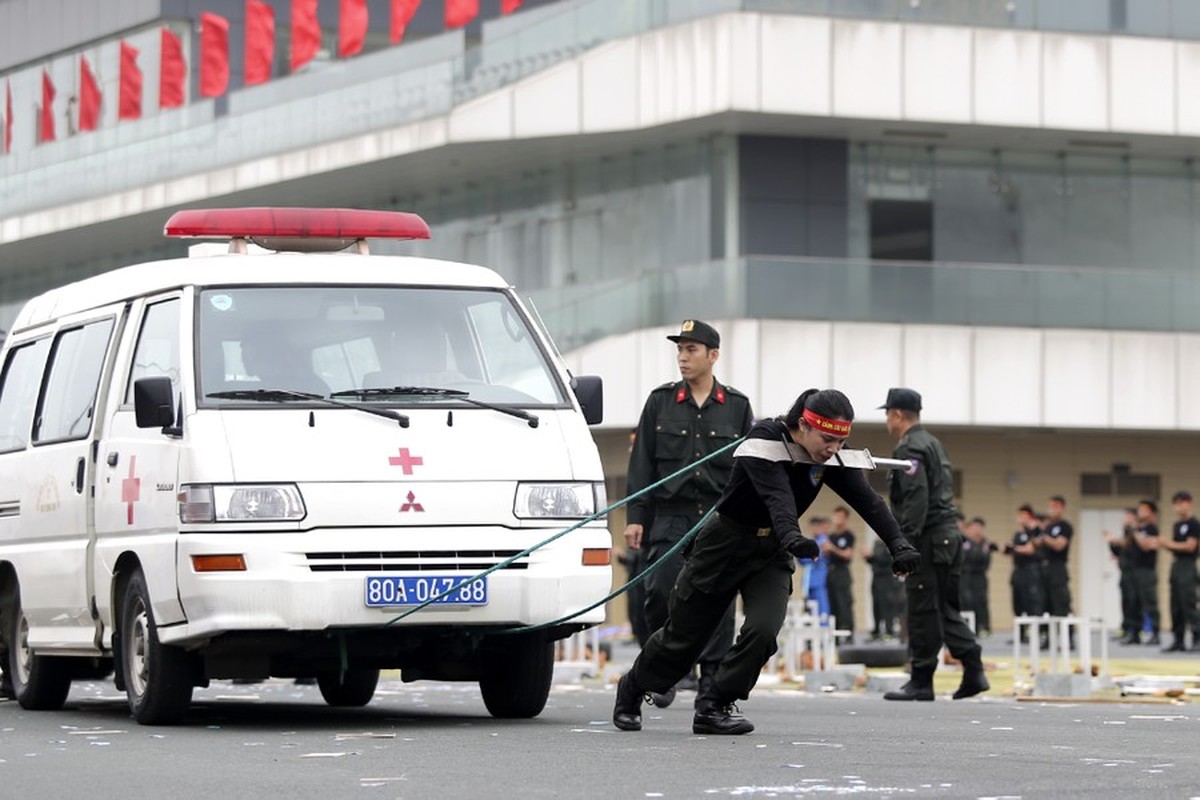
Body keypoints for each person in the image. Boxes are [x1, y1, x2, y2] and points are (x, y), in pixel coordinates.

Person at [612, 389, 920, 735]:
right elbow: (777, 496)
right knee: (683, 639)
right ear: (803, 425)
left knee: (763, 630)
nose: (834, 449)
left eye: (841, 441)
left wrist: (898, 545)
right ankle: (633, 687)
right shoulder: (764, 441)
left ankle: (715, 704)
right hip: (724, 544)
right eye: (828, 439)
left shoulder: (827, 454)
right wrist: (792, 536)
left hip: (771, 551)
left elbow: (867, 500)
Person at [623, 320, 754, 708]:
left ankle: (712, 679)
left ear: (713, 355)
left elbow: (750, 468)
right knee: (660, 594)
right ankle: (668, 671)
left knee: (717, 598)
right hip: (670, 516)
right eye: (679, 350)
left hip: (718, 517)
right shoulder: (660, 402)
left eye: (691, 350)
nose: (682, 357)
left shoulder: (737, 406)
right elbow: (641, 464)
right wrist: (636, 516)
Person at [879, 387, 989, 702]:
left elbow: (916, 499)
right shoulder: (933, 443)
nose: (888, 420)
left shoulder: (910, 447)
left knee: (924, 608)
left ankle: (922, 680)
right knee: (942, 607)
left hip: (928, 537)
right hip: (946, 536)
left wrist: (905, 545)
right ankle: (972, 667)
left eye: (888, 414)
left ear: (897, 414)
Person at [1161, 491, 1199, 652]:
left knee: (1188, 603)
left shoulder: (1194, 524)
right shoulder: (1177, 525)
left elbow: (1190, 546)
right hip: (1176, 565)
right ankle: (1178, 640)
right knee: (1175, 605)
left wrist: (1167, 543)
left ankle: (1197, 637)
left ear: (1188, 503)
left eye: (1182, 503)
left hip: (1188, 566)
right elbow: (1176, 547)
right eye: (1176, 504)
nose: (1179, 507)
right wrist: (1164, 545)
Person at [1004, 504, 1045, 644]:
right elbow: (1011, 550)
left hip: (1031, 571)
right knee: (1018, 603)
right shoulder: (1018, 534)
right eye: (1020, 516)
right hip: (1018, 570)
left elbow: (1030, 549)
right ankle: (1020, 634)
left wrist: (1014, 548)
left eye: (1025, 516)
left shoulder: (1035, 532)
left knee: (1032, 602)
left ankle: (1034, 633)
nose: (1021, 519)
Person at [1104, 508, 1141, 644]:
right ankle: (1126, 629)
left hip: (1135, 573)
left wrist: (1115, 539)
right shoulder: (1126, 532)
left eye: (1128, 517)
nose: (1125, 520)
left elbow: (1128, 544)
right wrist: (1111, 542)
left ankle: (1136, 632)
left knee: (1134, 602)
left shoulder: (1136, 532)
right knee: (1125, 601)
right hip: (1124, 572)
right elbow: (1119, 551)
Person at [1130, 499, 1162, 645]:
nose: (1140, 512)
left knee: (1149, 602)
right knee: (1134, 602)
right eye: (1139, 509)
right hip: (1135, 569)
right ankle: (1135, 633)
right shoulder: (1138, 528)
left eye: (1144, 509)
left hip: (1147, 571)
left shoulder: (1151, 529)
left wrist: (1135, 532)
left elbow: (1145, 545)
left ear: (1151, 512)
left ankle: (1155, 633)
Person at [959, 516, 996, 637]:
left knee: (981, 600)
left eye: (979, 527)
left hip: (979, 575)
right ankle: (969, 627)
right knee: (967, 600)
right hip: (965, 576)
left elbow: (987, 560)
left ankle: (983, 627)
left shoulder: (985, 544)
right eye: (974, 527)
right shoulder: (964, 542)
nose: (977, 530)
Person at [1040, 495, 1074, 625]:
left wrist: (1044, 537)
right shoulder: (1047, 526)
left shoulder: (1064, 526)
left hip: (1057, 568)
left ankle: (1068, 637)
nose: (1051, 510)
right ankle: (1048, 636)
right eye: (1050, 506)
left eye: (1055, 507)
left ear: (1062, 508)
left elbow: (1059, 545)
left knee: (1061, 602)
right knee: (1045, 602)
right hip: (1044, 567)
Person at [825, 506, 856, 642]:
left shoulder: (848, 536)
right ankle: (835, 636)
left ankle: (848, 634)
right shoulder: (831, 536)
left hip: (842, 572)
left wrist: (833, 548)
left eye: (841, 517)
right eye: (836, 516)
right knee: (833, 604)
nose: (837, 520)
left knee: (844, 603)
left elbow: (847, 555)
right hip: (830, 571)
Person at [864, 537, 904, 639]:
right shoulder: (876, 544)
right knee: (876, 604)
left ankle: (889, 630)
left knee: (887, 604)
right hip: (876, 577)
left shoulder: (890, 543)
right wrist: (868, 557)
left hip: (886, 578)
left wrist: (873, 556)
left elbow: (887, 559)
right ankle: (876, 630)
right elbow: (874, 561)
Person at [805, 515, 831, 622]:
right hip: (808, 581)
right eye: (812, 527)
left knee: (822, 609)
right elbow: (802, 560)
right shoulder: (811, 541)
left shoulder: (824, 541)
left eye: (817, 526)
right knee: (810, 609)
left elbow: (816, 557)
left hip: (820, 580)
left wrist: (807, 555)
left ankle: (823, 634)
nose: (814, 529)